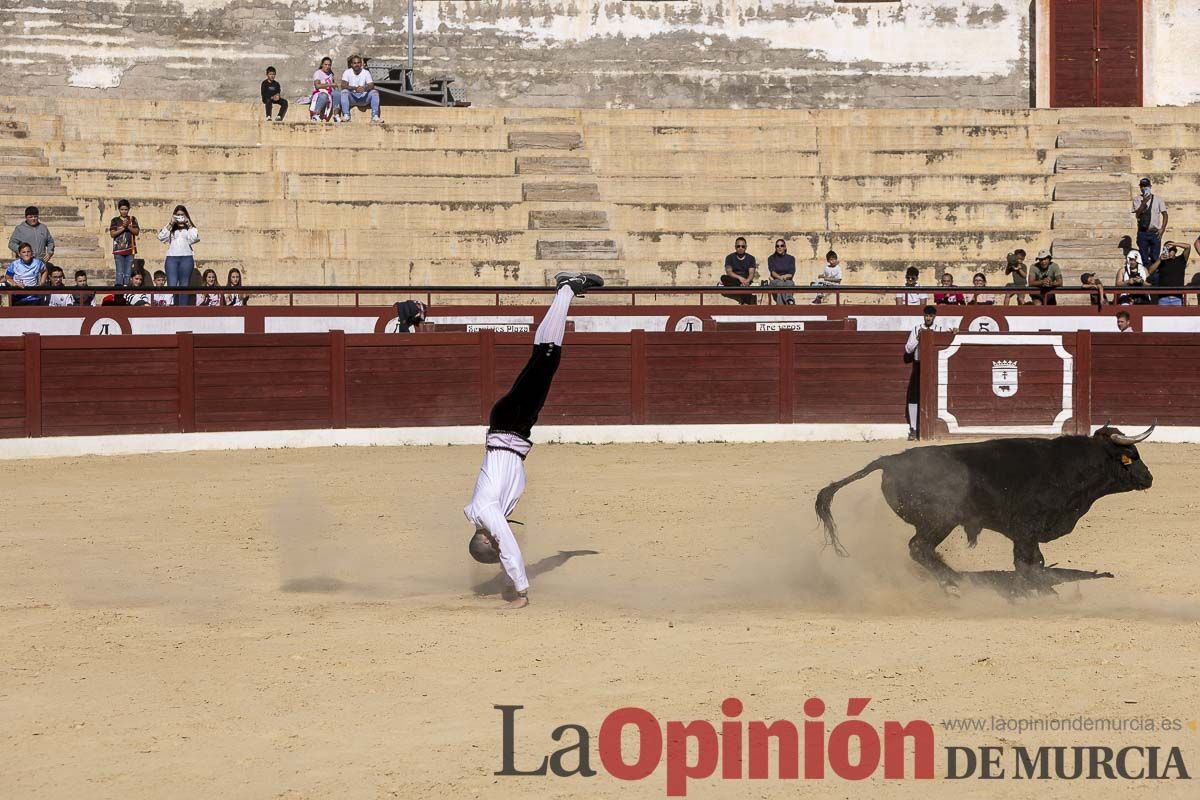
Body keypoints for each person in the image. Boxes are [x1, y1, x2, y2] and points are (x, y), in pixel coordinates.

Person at [465, 271, 605, 610]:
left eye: (495, 545)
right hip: (514, 429)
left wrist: (521, 590)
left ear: (486, 538)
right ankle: (566, 292)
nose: (502, 544)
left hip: (509, 425)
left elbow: (507, 546)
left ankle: (568, 288)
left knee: (546, 357)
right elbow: (504, 543)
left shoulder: (486, 512)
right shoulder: (488, 513)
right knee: (543, 357)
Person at [903, 304, 957, 441]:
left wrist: (953, 333)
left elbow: (947, 341)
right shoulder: (916, 329)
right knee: (914, 396)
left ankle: (934, 428)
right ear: (924, 316)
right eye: (926, 316)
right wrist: (918, 338)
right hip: (918, 365)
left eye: (930, 316)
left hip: (935, 368)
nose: (928, 318)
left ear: (934, 317)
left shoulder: (939, 329)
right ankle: (913, 429)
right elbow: (908, 350)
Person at [158, 205, 199, 306]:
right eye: (178, 215)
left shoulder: (189, 228)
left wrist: (188, 224)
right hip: (172, 258)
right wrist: (171, 223)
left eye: (182, 215)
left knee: (184, 285)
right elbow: (161, 237)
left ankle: (183, 309)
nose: (180, 217)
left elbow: (194, 238)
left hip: (186, 257)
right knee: (171, 285)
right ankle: (171, 306)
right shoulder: (171, 228)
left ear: (186, 216)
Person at [1131, 177, 1167, 271]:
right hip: (1142, 232)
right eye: (1142, 186)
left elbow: (1165, 214)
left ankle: (1156, 280)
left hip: (1155, 232)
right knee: (1144, 258)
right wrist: (1144, 202)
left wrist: (1162, 229)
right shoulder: (1137, 199)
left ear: (1150, 186)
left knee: (1155, 257)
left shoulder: (1158, 199)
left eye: (1146, 186)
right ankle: (1146, 278)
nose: (1144, 188)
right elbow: (1137, 214)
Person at [1146, 237, 1194, 306]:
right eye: (1167, 249)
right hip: (1163, 298)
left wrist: (1173, 244)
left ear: (1175, 251)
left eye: (1171, 249)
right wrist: (1160, 259)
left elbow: (1188, 247)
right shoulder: (1161, 261)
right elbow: (1150, 271)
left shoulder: (1181, 259)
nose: (1169, 251)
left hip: (1177, 298)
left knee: (1177, 317)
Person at [339, 55, 382, 123]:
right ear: (351, 64)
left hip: (364, 98)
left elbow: (371, 85)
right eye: (354, 63)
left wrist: (364, 88)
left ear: (361, 64)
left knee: (374, 92)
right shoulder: (347, 72)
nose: (357, 65)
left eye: (358, 63)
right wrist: (355, 88)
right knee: (344, 92)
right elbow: (343, 85)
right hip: (352, 98)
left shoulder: (366, 72)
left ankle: (375, 117)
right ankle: (346, 116)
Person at [108, 199, 139, 287]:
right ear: (119, 209)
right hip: (118, 250)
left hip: (130, 250)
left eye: (126, 209)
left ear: (128, 209)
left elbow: (136, 232)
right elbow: (112, 234)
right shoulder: (115, 220)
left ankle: (126, 290)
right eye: (122, 209)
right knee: (119, 272)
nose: (124, 211)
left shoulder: (132, 219)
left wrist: (128, 227)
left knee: (128, 272)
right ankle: (119, 291)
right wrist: (123, 228)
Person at [720, 236, 758, 305]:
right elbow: (729, 272)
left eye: (743, 246)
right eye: (738, 246)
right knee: (723, 278)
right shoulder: (730, 257)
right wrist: (740, 278)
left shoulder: (751, 258)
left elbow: (751, 273)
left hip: (745, 279)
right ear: (735, 247)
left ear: (746, 247)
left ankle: (746, 303)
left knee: (746, 285)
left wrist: (747, 281)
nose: (740, 248)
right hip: (735, 279)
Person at [766, 239, 796, 305]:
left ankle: (780, 305)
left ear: (785, 247)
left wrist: (785, 277)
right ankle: (789, 300)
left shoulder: (791, 258)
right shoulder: (771, 258)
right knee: (781, 284)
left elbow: (791, 273)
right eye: (777, 246)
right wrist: (780, 277)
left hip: (787, 280)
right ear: (775, 248)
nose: (779, 247)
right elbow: (773, 272)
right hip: (775, 280)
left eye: (781, 246)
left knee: (790, 283)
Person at [309, 56, 337, 122]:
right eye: (325, 64)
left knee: (338, 94)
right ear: (322, 65)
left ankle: (336, 115)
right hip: (319, 94)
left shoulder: (331, 74)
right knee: (324, 95)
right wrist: (330, 85)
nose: (327, 66)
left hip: (329, 93)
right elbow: (317, 86)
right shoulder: (318, 73)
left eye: (329, 65)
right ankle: (315, 115)